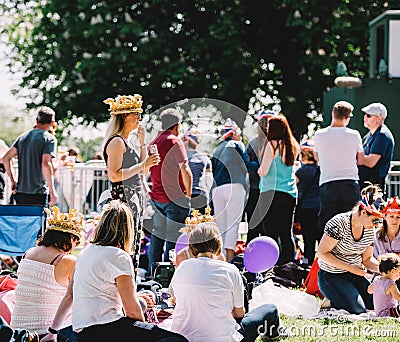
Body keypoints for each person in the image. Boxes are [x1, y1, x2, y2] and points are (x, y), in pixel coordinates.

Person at [41, 200, 187, 342]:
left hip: (83, 332)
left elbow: (69, 296)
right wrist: (144, 330)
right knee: (177, 339)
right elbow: (132, 310)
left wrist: (53, 331)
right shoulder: (118, 256)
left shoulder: (85, 253)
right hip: (107, 328)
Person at [170, 222, 282, 342]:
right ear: (218, 248)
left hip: (183, 338)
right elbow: (239, 314)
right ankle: (275, 335)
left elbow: (173, 297)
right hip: (224, 338)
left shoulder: (182, 268)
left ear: (191, 248)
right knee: (271, 309)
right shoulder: (230, 270)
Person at [103, 94, 160, 277]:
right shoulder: (116, 142)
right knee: (124, 242)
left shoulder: (127, 141)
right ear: (124, 116)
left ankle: (131, 282)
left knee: (133, 242)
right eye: (135, 114)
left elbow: (142, 171)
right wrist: (143, 165)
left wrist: (143, 144)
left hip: (133, 199)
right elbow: (114, 175)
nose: (139, 118)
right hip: (123, 198)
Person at [11, 206, 82, 341]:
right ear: (69, 238)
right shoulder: (66, 261)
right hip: (47, 331)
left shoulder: (29, 252)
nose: (76, 245)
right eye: (76, 240)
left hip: (19, 331)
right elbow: (77, 296)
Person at [317, 187, 383, 314]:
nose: (376, 225)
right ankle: (331, 300)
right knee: (357, 309)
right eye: (374, 220)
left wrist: (385, 269)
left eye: (378, 222)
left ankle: (341, 297)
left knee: (376, 303)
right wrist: (350, 268)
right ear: (363, 212)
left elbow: (367, 259)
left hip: (354, 274)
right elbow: (322, 253)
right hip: (330, 275)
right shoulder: (338, 223)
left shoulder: (369, 229)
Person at [147, 108, 193, 273]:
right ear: (178, 126)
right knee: (174, 238)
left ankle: (153, 273)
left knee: (157, 236)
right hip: (175, 197)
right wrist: (188, 193)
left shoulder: (153, 143)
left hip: (157, 197)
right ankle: (170, 274)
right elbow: (185, 169)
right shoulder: (175, 141)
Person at [211, 118, 259, 262]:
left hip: (217, 189)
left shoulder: (217, 148)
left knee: (220, 227)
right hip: (235, 186)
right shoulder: (237, 144)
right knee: (232, 225)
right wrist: (260, 163)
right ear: (233, 133)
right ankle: (229, 260)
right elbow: (247, 166)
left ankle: (218, 259)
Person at [313, 100, 364, 233]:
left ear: (333, 114)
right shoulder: (355, 135)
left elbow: (316, 157)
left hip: (328, 182)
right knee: (351, 222)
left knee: (328, 222)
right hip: (349, 181)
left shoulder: (319, 135)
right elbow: (361, 160)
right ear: (347, 118)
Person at [257, 114, 299, 265]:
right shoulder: (293, 145)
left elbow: (264, 170)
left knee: (270, 232)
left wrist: (259, 170)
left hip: (270, 192)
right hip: (289, 192)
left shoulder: (272, 144)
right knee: (286, 232)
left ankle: (271, 264)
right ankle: (289, 265)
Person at [2, 106, 58, 206]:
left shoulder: (22, 137)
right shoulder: (49, 139)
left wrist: (13, 181)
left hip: (21, 191)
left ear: (37, 120)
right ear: (52, 123)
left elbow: (5, 158)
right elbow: (45, 164)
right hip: (38, 192)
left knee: (22, 221)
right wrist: (52, 190)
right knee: (39, 221)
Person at [244, 110, 273, 243]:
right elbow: (246, 164)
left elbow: (246, 164)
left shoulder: (256, 143)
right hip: (261, 188)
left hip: (263, 189)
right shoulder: (254, 143)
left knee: (259, 226)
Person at [358, 102, 394, 192]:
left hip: (373, 186)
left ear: (379, 118)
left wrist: (351, 158)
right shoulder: (370, 134)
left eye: (368, 115)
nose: (365, 117)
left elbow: (371, 162)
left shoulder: (382, 135)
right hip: (365, 184)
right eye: (365, 115)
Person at [295, 140, 321, 264]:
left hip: (306, 208)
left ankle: (308, 264)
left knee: (308, 240)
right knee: (320, 238)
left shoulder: (301, 172)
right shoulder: (320, 170)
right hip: (320, 208)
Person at [182, 126, 212, 213]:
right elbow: (209, 176)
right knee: (201, 223)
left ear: (187, 141)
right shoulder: (204, 157)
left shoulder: (180, 156)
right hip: (202, 194)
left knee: (186, 224)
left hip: (186, 194)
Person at [367, 253, 400, 317]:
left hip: (379, 313)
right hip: (389, 313)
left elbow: (369, 290)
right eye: (399, 272)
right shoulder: (390, 284)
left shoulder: (376, 279)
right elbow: (398, 297)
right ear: (393, 271)